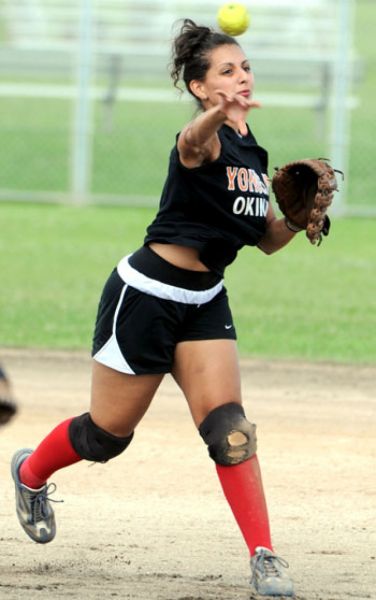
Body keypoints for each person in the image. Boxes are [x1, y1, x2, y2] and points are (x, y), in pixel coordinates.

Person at [10, 19, 299, 596]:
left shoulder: (251, 149)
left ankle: (265, 555)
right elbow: (192, 144)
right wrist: (215, 114)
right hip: (145, 297)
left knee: (230, 430)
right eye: (225, 71)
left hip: (204, 299)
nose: (240, 77)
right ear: (199, 87)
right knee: (106, 437)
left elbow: (264, 238)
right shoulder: (204, 137)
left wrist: (296, 218)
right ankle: (29, 472)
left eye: (244, 69)